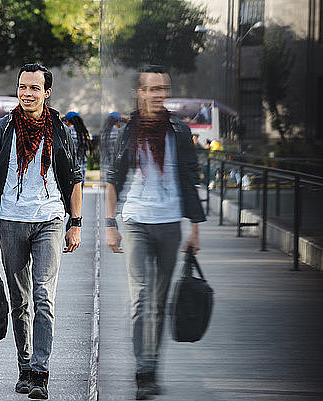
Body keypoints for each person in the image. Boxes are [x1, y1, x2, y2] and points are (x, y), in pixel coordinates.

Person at [0, 63, 83, 400]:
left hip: (50, 219)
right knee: (19, 301)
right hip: (11, 221)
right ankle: (23, 367)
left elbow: (74, 176)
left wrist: (75, 223)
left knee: (43, 298)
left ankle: (40, 371)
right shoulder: (2, 129)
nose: (27, 93)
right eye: (22, 86)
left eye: (34, 88)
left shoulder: (60, 129)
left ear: (46, 93)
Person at [105, 65, 206, 400]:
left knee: (159, 302)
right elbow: (113, 179)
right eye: (151, 89)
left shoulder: (179, 130)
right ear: (140, 92)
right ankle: (141, 367)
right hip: (135, 220)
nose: (158, 94)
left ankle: (152, 367)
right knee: (141, 298)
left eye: (163, 88)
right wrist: (110, 225)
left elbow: (190, 178)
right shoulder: (128, 131)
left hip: (169, 222)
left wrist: (194, 228)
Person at [63, 111, 91, 187]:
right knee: (79, 191)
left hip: (69, 166)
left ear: (67, 121)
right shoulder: (85, 133)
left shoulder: (66, 131)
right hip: (81, 166)